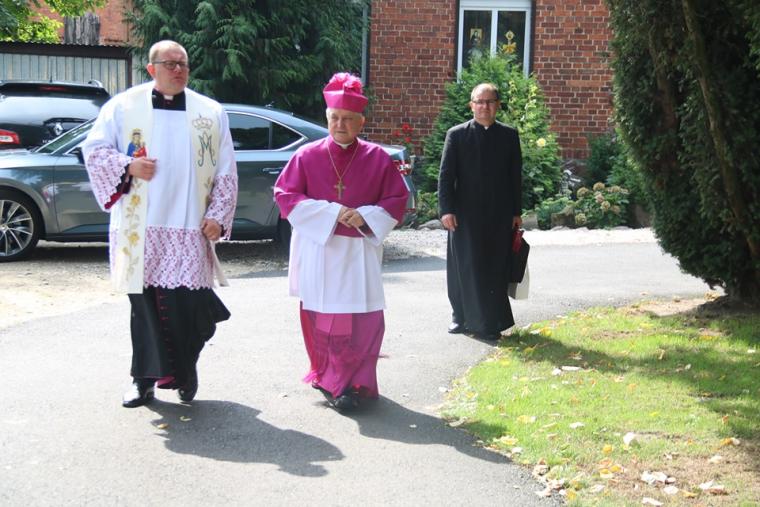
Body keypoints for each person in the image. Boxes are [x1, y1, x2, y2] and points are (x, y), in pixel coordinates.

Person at [83, 40, 238, 408]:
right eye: (170, 63)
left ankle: (185, 371)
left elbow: (226, 169)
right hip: (140, 228)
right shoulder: (123, 106)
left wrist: (218, 216)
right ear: (151, 68)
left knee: (191, 308)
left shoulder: (210, 112)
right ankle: (143, 381)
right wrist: (128, 165)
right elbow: (94, 151)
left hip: (189, 225)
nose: (178, 70)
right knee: (145, 308)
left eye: (183, 63)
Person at [273, 72, 409, 412]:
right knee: (325, 318)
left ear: (361, 121)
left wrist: (364, 216)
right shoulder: (306, 155)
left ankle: (356, 381)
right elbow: (286, 196)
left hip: (358, 252)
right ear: (327, 117)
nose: (340, 125)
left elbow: (396, 200)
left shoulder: (378, 158)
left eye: (348, 119)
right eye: (335, 118)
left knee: (363, 320)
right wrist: (333, 213)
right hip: (320, 251)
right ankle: (333, 379)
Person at [438, 82, 523, 341]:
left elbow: (515, 177)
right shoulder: (456, 135)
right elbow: (446, 176)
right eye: (479, 101)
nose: (484, 106)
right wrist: (446, 210)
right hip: (464, 214)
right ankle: (460, 316)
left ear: (498, 105)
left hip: (499, 213)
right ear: (471, 105)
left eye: (489, 101)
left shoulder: (509, 136)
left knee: (494, 266)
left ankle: (490, 322)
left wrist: (516, 212)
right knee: (463, 265)